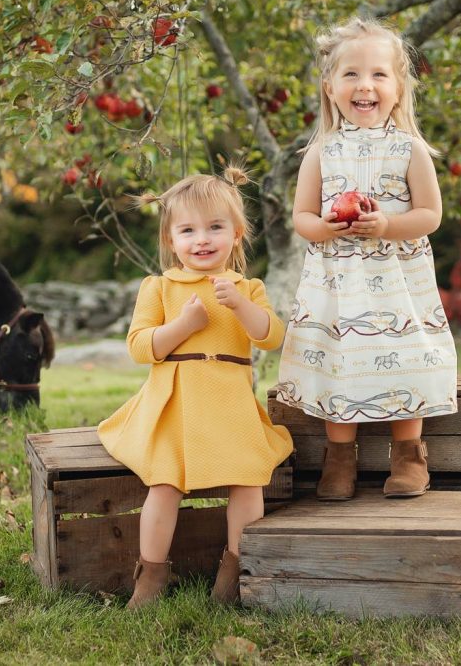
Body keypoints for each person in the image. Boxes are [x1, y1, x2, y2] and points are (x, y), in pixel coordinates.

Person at [277, 16, 457, 501]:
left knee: (402, 357)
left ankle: (409, 457)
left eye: (379, 74)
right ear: (330, 87)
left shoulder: (410, 148)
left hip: (397, 283)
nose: (365, 85)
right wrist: (326, 227)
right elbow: (302, 218)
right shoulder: (320, 152)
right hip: (338, 283)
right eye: (351, 74)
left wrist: (387, 226)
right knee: (341, 359)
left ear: (399, 87)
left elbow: (430, 215)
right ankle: (340, 460)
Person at [98, 167, 293, 609]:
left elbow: (272, 336)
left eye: (215, 228)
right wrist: (184, 325)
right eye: (188, 230)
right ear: (171, 240)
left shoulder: (248, 287)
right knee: (164, 486)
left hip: (229, 402)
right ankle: (150, 577)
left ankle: (234, 574)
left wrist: (241, 305)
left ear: (237, 234)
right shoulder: (160, 287)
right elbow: (139, 346)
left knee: (247, 483)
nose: (201, 239)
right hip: (177, 402)